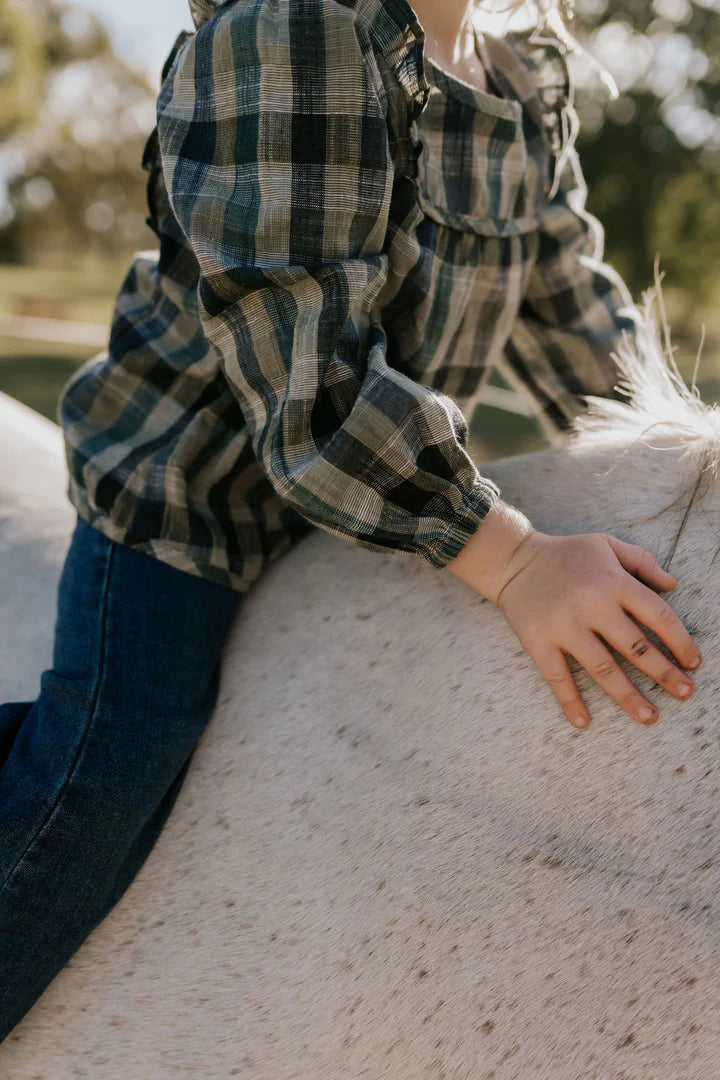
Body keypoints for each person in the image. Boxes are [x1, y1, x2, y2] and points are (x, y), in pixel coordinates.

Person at [0, 0, 702, 1042]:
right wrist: (517, 565)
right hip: (196, 501)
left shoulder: (516, 68)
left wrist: (674, 464)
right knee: (105, 767)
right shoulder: (294, 32)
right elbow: (313, 392)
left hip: (375, 505)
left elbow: (573, 308)